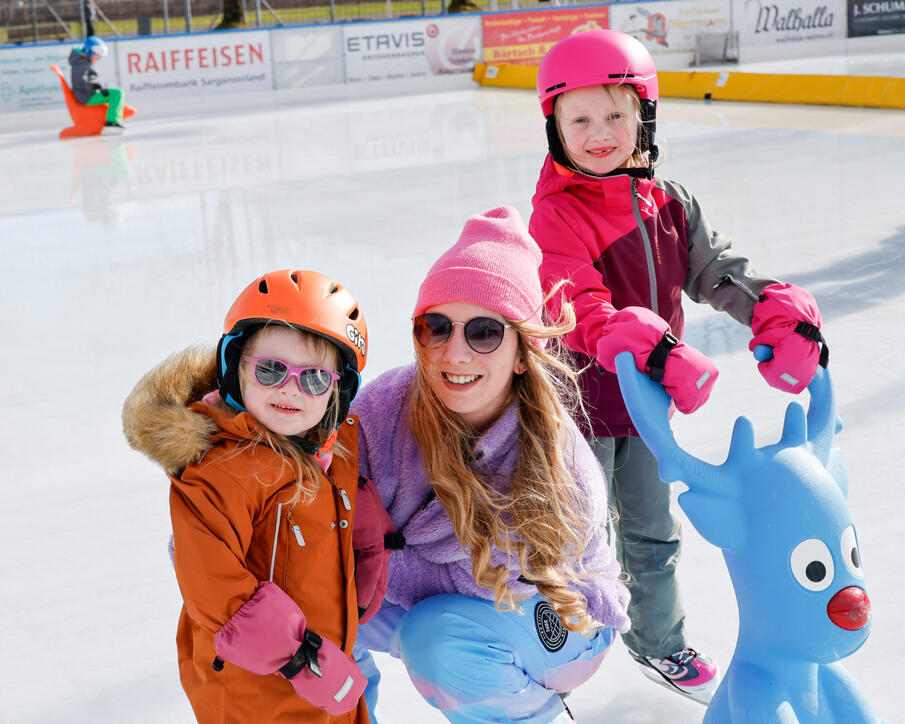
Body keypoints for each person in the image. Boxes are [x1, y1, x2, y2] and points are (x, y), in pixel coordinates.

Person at [528, 29, 827, 705]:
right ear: (555, 128)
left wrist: (773, 309)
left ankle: (658, 643)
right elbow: (576, 304)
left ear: (644, 117)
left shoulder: (669, 203)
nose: (599, 133)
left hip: (643, 412)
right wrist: (652, 347)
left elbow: (716, 272)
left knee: (651, 532)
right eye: (580, 119)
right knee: (568, 539)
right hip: (572, 407)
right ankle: (544, 655)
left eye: (615, 114)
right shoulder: (556, 215)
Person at [351, 206, 631, 724]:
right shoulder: (382, 411)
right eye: (435, 328)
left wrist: (373, 557)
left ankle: (532, 716)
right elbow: (309, 483)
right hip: (433, 599)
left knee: (436, 641)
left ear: (524, 352)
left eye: (483, 332)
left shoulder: (556, 460)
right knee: (304, 604)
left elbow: (492, 584)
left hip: (560, 618)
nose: (454, 353)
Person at [122, 269, 394, 723]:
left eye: (313, 379)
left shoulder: (328, 454)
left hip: (324, 670)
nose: (290, 388)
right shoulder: (222, 469)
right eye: (271, 370)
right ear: (236, 370)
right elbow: (213, 585)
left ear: (337, 392)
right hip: (254, 691)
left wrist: (366, 550)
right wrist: (302, 658)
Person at [68, 35, 126, 129]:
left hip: (86, 94)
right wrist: (96, 87)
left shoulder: (82, 61)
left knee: (115, 92)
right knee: (118, 93)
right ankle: (112, 122)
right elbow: (80, 82)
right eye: (97, 55)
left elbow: (85, 79)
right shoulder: (82, 63)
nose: (97, 58)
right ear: (90, 51)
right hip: (86, 97)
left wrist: (94, 77)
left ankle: (112, 118)